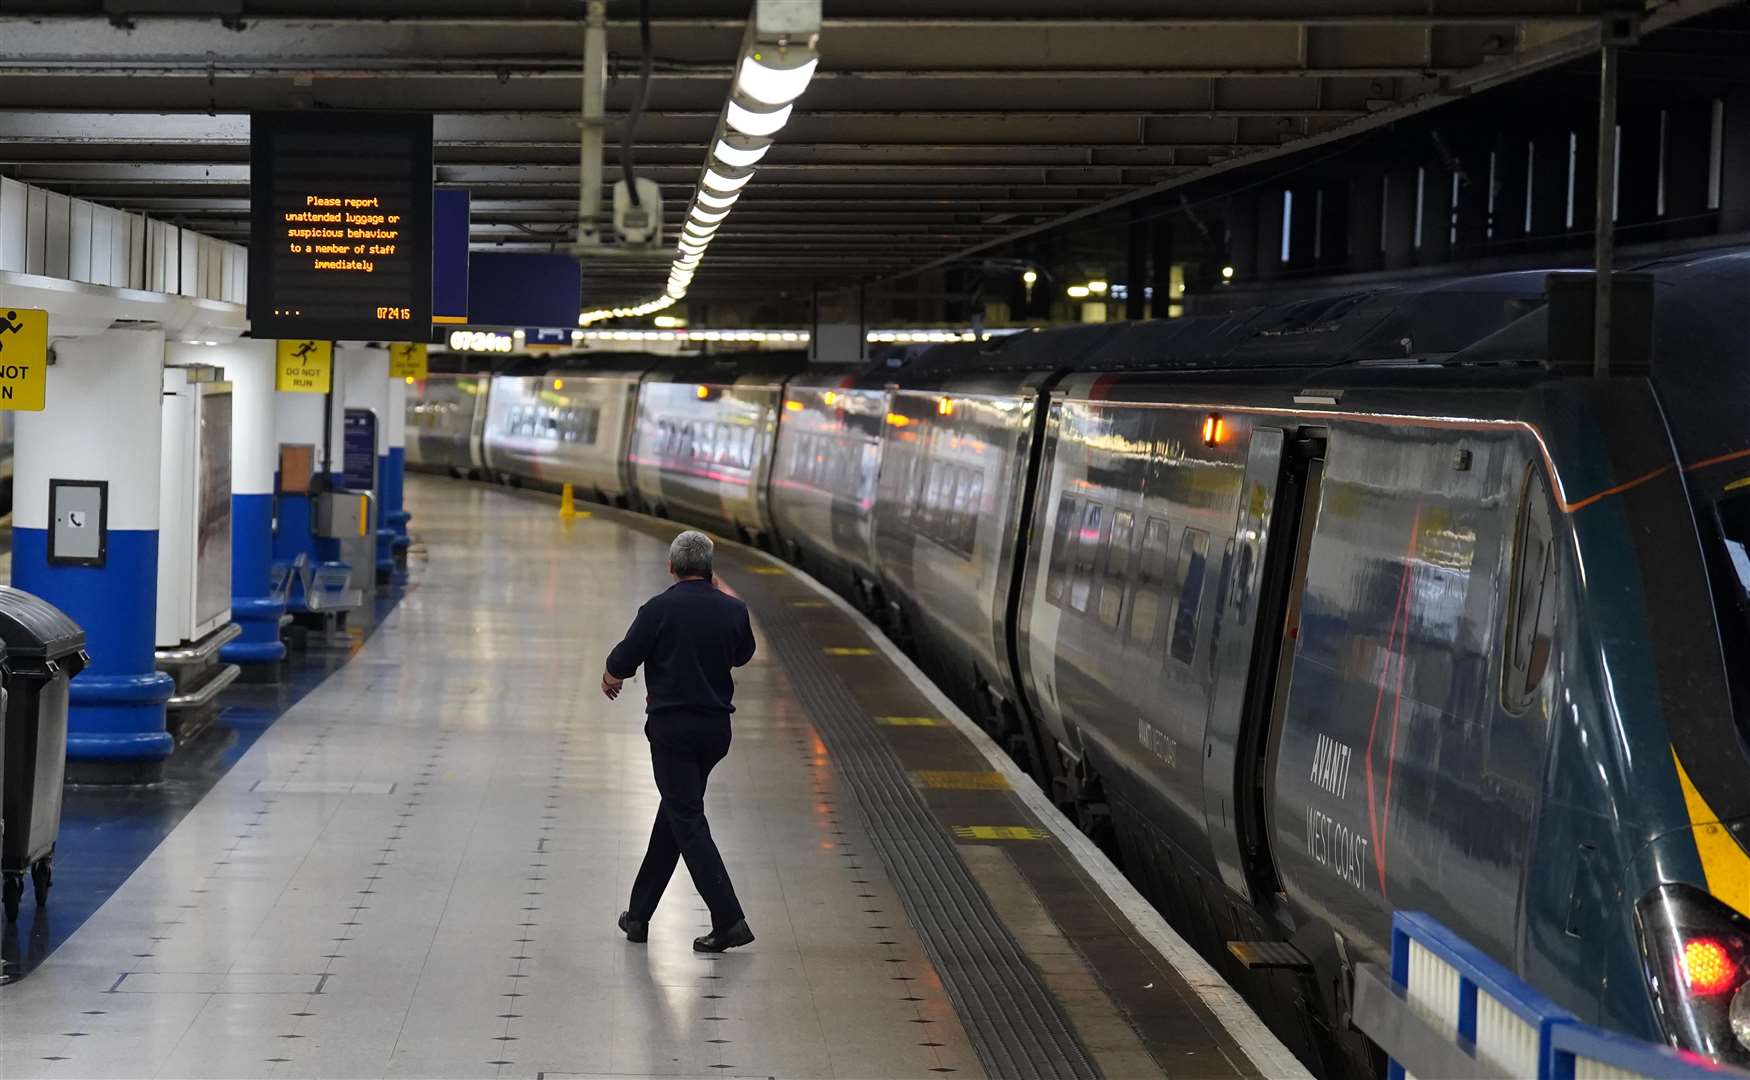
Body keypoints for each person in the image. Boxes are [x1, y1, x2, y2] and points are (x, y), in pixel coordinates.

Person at [603, 530, 757, 953]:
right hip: (714, 733)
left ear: (671, 567)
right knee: (675, 815)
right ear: (709, 569)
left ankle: (729, 919)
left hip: (673, 733)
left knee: (686, 820)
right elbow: (743, 654)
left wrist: (611, 677)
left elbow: (622, 660)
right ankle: (638, 916)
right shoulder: (734, 610)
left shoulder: (658, 609)